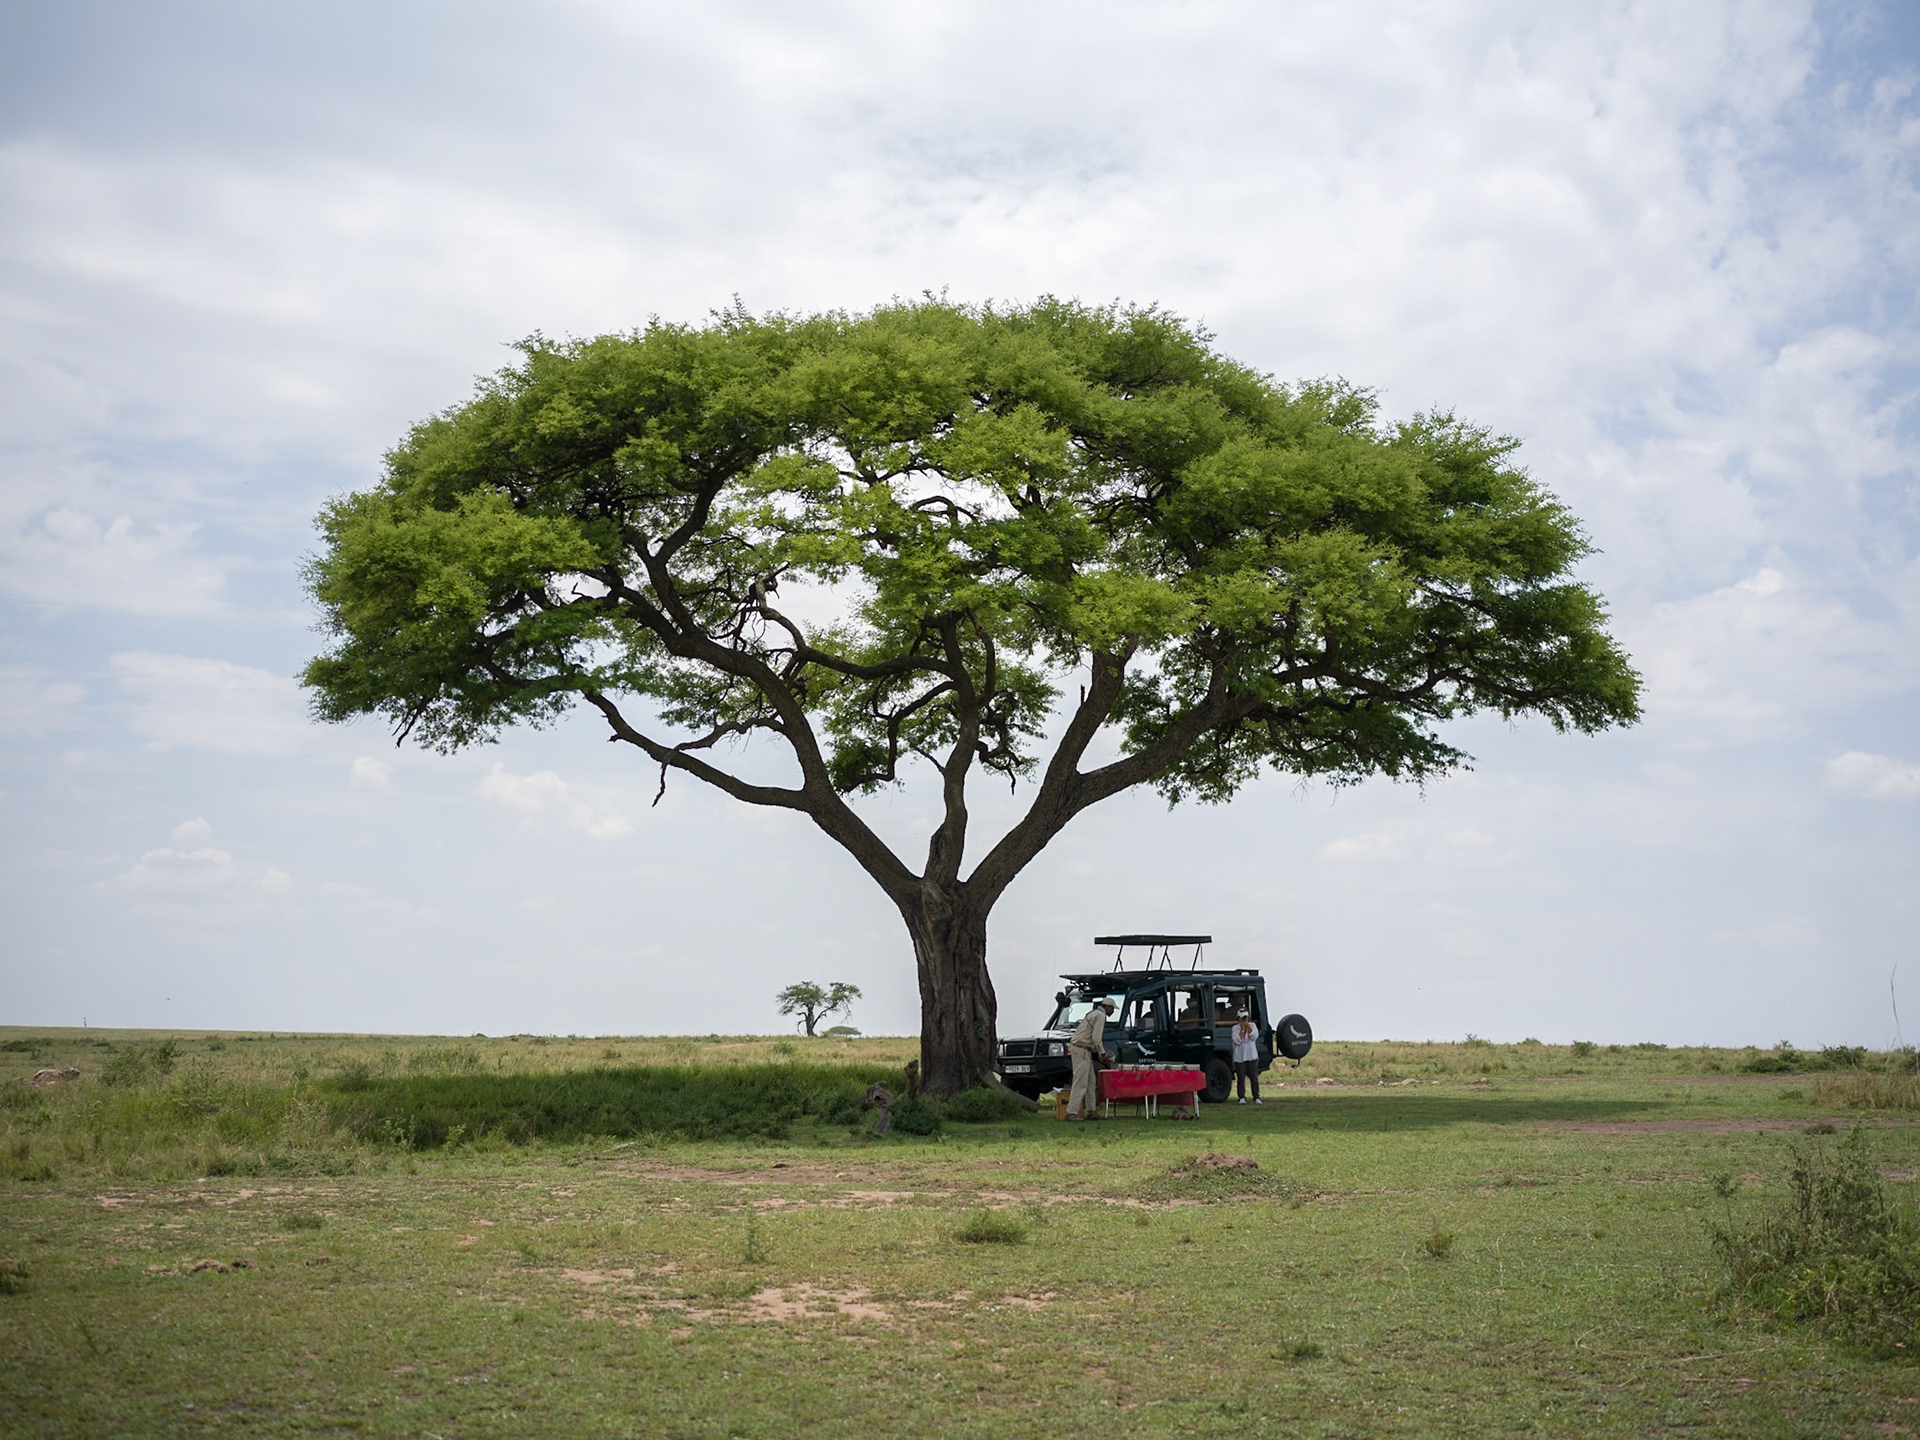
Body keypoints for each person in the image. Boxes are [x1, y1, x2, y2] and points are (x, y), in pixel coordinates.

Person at [1065, 998, 1115, 1120]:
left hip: (1083, 1049)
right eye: (1112, 1009)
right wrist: (1102, 1054)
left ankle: (1091, 1111)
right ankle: (1071, 1112)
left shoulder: (1093, 1013)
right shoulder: (1100, 1016)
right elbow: (1096, 1038)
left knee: (1091, 1081)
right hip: (1081, 1049)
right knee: (1081, 1081)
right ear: (1107, 1007)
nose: (1112, 1012)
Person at [1231, 1009, 1262, 1104]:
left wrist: (1248, 1027)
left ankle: (1256, 1097)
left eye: (1246, 1018)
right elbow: (1237, 1041)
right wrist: (1242, 1030)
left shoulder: (1253, 1026)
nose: (1244, 1020)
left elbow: (1254, 1036)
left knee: (1254, 1078)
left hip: (1251, 1056)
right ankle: (1241, 1097)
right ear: (1238, 1019)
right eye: (1242, 1018)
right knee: (1241, 1078)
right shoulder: (1235, 1028)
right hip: (1240, 1057)